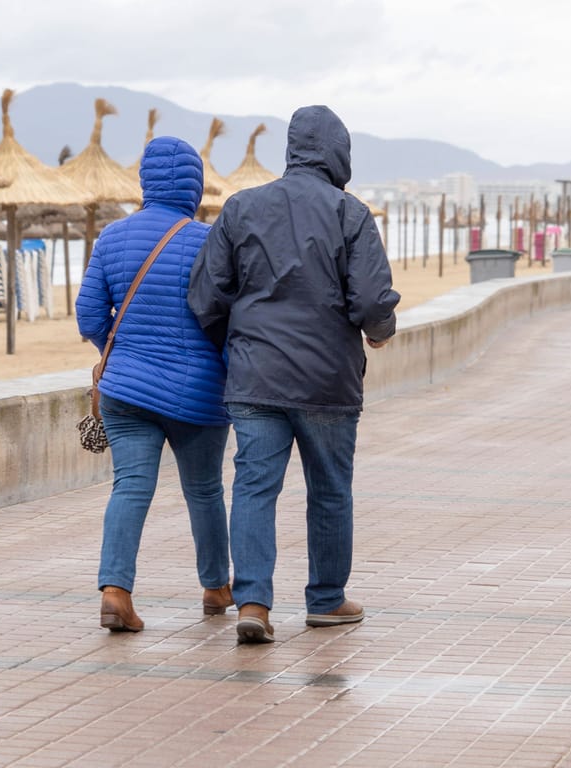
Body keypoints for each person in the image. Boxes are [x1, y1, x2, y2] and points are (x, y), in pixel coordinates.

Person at [188, 105, 400, 644]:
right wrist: (378, 329)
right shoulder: (350, 214)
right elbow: (372, 298)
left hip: (256, 378)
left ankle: (253, 602)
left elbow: (207, 296)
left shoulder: (241, 208)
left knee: (255, 488)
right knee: (329, 491)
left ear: (291, 149)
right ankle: (327, 600)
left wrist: (236, 345)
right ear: (339, 153)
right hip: (327, 381)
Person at [76, 135, 231, 633]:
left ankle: (116, 593)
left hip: (125, 390)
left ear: (143, 180)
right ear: (194, 183)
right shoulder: (209, 240)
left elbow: (88, 315)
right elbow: (227, 320)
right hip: (198, 392)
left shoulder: (112, 237)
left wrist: (115, 352)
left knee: (130, 487)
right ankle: (216, 587)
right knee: (204, 490)